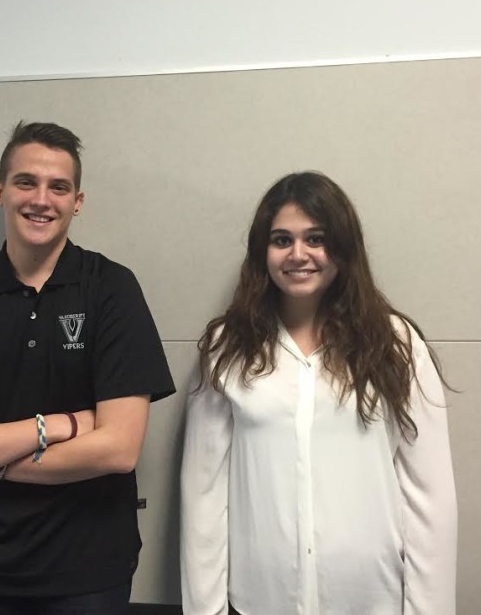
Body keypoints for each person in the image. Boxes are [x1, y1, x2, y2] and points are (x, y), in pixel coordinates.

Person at [0, 121, 175, 615]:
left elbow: (117, 449)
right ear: (0, 191)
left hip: (91, 573)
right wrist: (59, 426)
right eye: (26, 182)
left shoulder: (111, 289)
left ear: (78, 201)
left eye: (58, 187)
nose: (41, 199)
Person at [180, 172, 457, 615]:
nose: (298, 254)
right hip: (258, 603)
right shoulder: (226, 347)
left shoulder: (397, 345)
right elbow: (203, 495)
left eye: (316, 238)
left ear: (343, 249)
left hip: (372, 602)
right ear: (262, 251)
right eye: (281, 240)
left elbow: (430, 497)